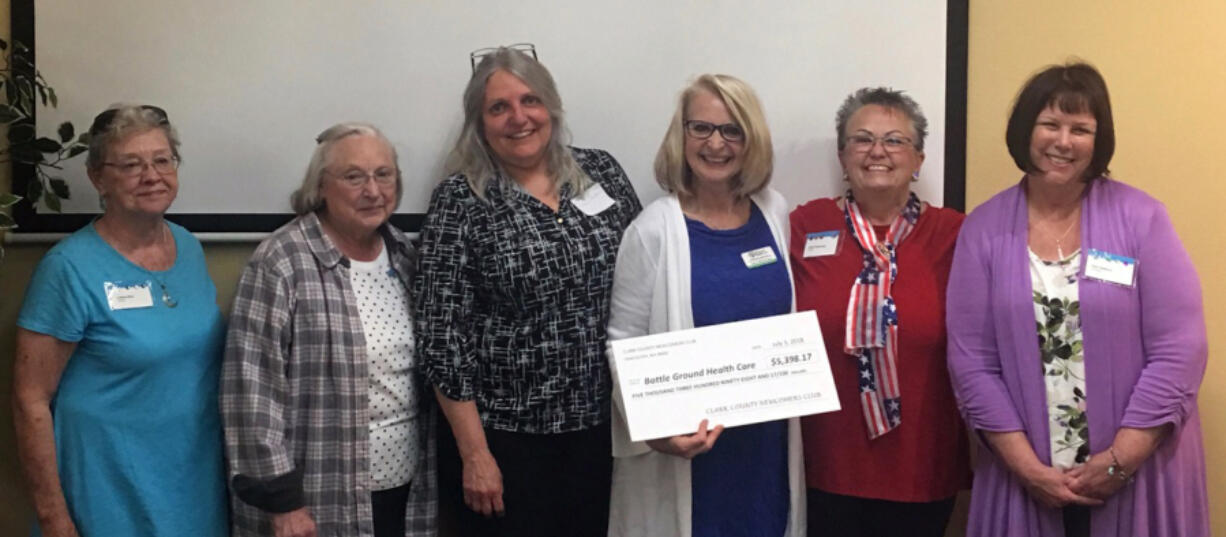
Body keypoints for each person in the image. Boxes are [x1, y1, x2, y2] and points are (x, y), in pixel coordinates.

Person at [947, 62, 1209, 537]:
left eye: (1080, 129)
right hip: (1023, 478)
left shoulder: (1143, 218)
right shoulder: (982, 229)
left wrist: (1118, 462)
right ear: (1026, 130)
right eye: (1050, 124)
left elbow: (1180, 350)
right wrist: (1027, 469)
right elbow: (972, 364)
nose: (1063, 141)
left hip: (1138, 474)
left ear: (1098, 138)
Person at [414, 45, 641, 537]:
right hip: (507, 443)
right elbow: (442, 337)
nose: (518, 118)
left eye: (530, 101)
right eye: (499, 107)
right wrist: (476, 456)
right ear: (479, 121)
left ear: (552, 107)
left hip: (605, 433)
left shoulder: (601, 172)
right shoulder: (461, 200)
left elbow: (645, 282)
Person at [12, 104, 228, 536]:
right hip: (106, 493)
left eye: (162, 160)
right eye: (131, 164)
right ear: (98, 177)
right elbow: (29, 400)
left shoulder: (188, 247)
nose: (151, 176)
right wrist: (55, 519)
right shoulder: (69, 268)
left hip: (192, 483)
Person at [606, 74, 805, 537]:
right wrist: (655, 429)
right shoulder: (653, 229)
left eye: (731, 130)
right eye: (701, 128)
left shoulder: (774, 212)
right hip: (690, 455)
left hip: (765, 449)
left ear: (750, 139)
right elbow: (623, 343)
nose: (716, 144)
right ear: (682, 135)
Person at [221, 123, 437, 537]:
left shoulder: (406, 256)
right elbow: (250, 393)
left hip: (404, 489)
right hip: (318, 498)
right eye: (354, 177)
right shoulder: (280, 262)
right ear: (321, 187)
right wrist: (282, 503)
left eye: (384, 174)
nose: (373, 191)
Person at [788, 87, 970, 537]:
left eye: (894, 140)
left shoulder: (956, 234)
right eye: (862, 139)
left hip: (921, 465)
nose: (877, 152)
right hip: (824, 463)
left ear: (919, 158)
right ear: (842, 154)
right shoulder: (803, 226)